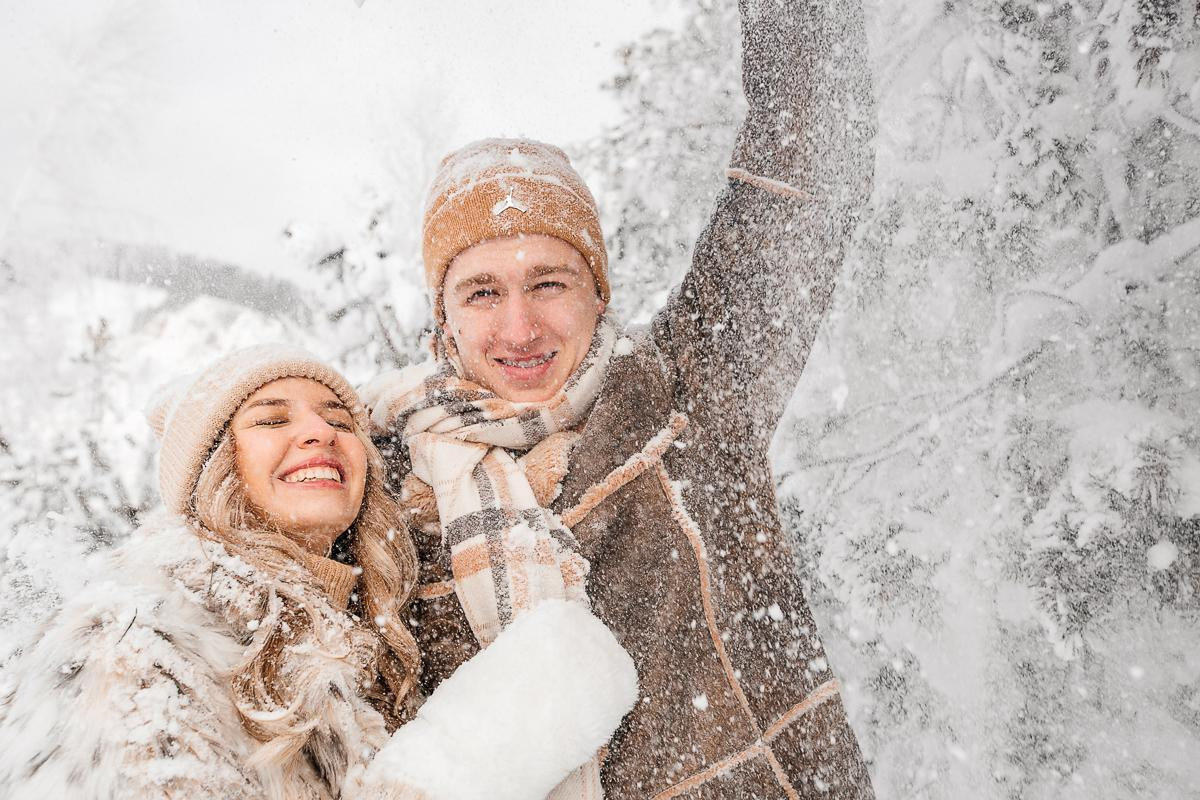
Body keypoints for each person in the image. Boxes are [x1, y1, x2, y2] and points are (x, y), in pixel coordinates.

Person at [364, 0, 878, 796]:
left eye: (549, 282)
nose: (519, 325)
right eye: (481, 293)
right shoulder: (389, 497)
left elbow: (807, 173)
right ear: (443, 322)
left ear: (598, 297)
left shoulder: (690, 394)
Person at [0, 345, 637, 800]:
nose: (320, 434)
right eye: (273, 420)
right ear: (216, 470)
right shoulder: (134, 641)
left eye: (339, 420)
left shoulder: (359, 637)